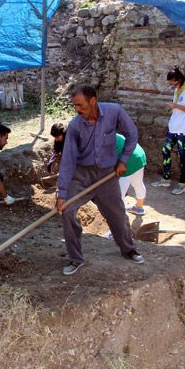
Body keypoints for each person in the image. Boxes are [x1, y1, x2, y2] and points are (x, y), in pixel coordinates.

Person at [55, 84, 145, 276]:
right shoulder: (75, 126)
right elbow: (68, 160)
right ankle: (76, 259)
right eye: (75, 106)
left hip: (106, 174)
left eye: (81, 106)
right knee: (67, 211)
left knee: (118, 214)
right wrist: (62, 194)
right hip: (82, 175)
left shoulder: (114, 112)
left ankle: (128, 249)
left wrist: (123, 160)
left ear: (93, 101)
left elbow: (132, 134)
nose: (78, 110)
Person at [151, 66, 185, 195]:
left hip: (184, 129)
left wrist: (176, 106)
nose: (171, 85)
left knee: (182, 156)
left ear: (179, 79)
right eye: (170, 83)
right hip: (173, 127)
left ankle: (182, 184)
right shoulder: (178, 89)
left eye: (173, 82)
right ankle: (166, 179)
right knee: (165, 150)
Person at [102, 134, 147, 239]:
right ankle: (139, 208)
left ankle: (115, 231)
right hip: (139, 154)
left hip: (129, 161)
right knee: (137, 183)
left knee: (117, 197)